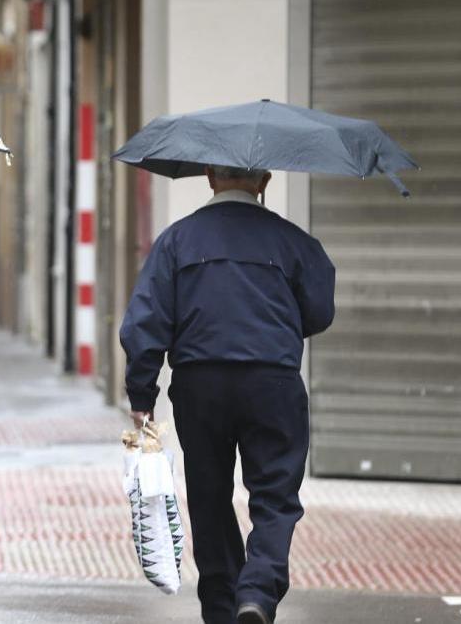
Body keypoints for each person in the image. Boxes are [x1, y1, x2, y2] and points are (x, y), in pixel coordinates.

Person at [119, 165, 335, 624]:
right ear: (264, 182)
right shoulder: (293, 242)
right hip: (273, 381)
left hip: (201, 384)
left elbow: (146, 322)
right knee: (275, 496)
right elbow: (319, 311)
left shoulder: (177, 241)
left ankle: (221, 608)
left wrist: (142, 394)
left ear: (211, 178)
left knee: (209, 496)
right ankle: (256, 592)